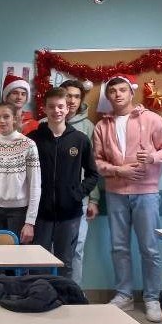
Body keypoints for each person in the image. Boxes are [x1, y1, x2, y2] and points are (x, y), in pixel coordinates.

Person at [94, 74, 162, 322]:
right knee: (119, 247)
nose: (117, 94)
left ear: (131, 92)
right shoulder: (102, 126)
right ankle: (124, 295)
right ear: (108, 96)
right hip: (115, 193)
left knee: (149, 248)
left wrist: (152, 157)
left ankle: (152, 298)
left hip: (146, 193)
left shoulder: (151, 118)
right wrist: (118, 170)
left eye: (122, 90)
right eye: (112, 91)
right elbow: (97, 161)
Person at [28, 88, 99, 281]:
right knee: (38, 263)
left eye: (60, 106)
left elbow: (93, 174)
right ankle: (39, 295)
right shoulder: (34, 139)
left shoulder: (80, 140)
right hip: (40, 213)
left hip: (69, 214)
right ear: (44, 109)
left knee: (65, 263)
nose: (56, 111)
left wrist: (77, 193)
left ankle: (64, 297)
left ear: (67, 109)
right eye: (51, 107)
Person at [48, 79, 100, 284]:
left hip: (78, 199)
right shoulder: (44, 124)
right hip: (49, 201)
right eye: (68, 95)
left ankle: (73, 292)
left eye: (77, 96)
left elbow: (92, 166)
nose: (72, 100)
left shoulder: (88, 127)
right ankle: (49, 290)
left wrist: (93, 199)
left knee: (76, 248)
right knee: (50, 249)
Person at [0, 102, 40, 244]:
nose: (2, 120)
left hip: (18, 211)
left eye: (6, 116)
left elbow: (35, 184)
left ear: (14, 118)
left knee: (16, 255)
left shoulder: (28, 144)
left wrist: (30, 222)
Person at [0, 74, 39, 138]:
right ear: (6, 96)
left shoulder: (34, 124)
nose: (19, 97)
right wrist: (15, 134)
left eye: (23, 94)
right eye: (15, 93)